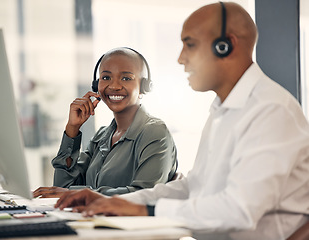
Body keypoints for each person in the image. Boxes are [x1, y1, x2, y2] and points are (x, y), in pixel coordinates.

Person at [53, 2, 309, 239]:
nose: (180, 58)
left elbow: (239, 209)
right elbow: (192, 186)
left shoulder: (270, 110)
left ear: (226, 45)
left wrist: (147, 211)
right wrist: (123, 203)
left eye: (190, 45)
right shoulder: (224, 110)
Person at [34, 47, 178, 197]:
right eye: (106, 78)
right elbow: (62, 187)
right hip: (91, 219)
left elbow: (145, 194)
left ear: (144, 87)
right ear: (96, 85)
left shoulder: (155, 132)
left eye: (126, 78)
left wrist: (77, 194)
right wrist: (72, 129)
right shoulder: (102, 136)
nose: (114, 86)